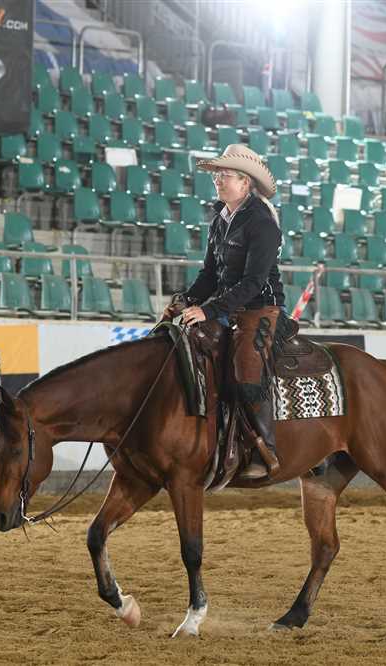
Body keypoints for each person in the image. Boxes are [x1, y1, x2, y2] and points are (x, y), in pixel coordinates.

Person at [166, 144, 285, 479]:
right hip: (227, 308)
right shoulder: (219, 221)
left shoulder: (262, 223)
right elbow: (209, 275)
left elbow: (254, 282)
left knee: (247, 366)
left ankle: (265, 449)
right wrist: (186, 299)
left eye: (225, 175)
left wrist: (209, 310)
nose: (218, 180)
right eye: (217, 175)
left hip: (260, 308)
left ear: (246, 182)